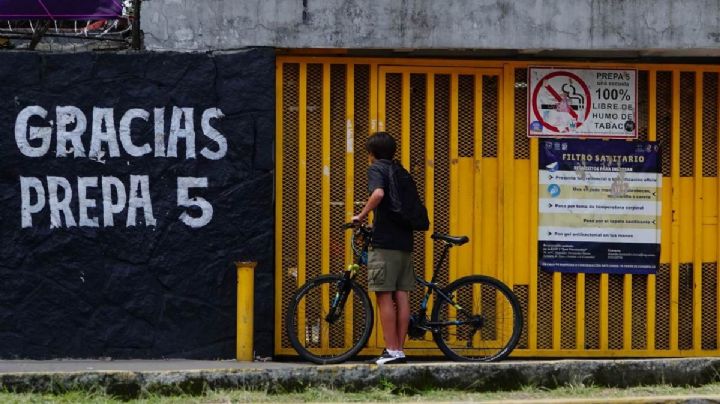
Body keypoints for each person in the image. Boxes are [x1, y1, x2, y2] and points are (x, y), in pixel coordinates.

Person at [352, 132, 414, 365]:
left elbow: (378, 193)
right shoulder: (401, 171)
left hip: (385, 242)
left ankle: (391, 349)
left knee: (384, 294)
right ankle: (400, 350)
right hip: (405, 241)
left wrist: (361, 215)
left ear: (372, 153)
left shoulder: (377, 168)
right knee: (402, 294)